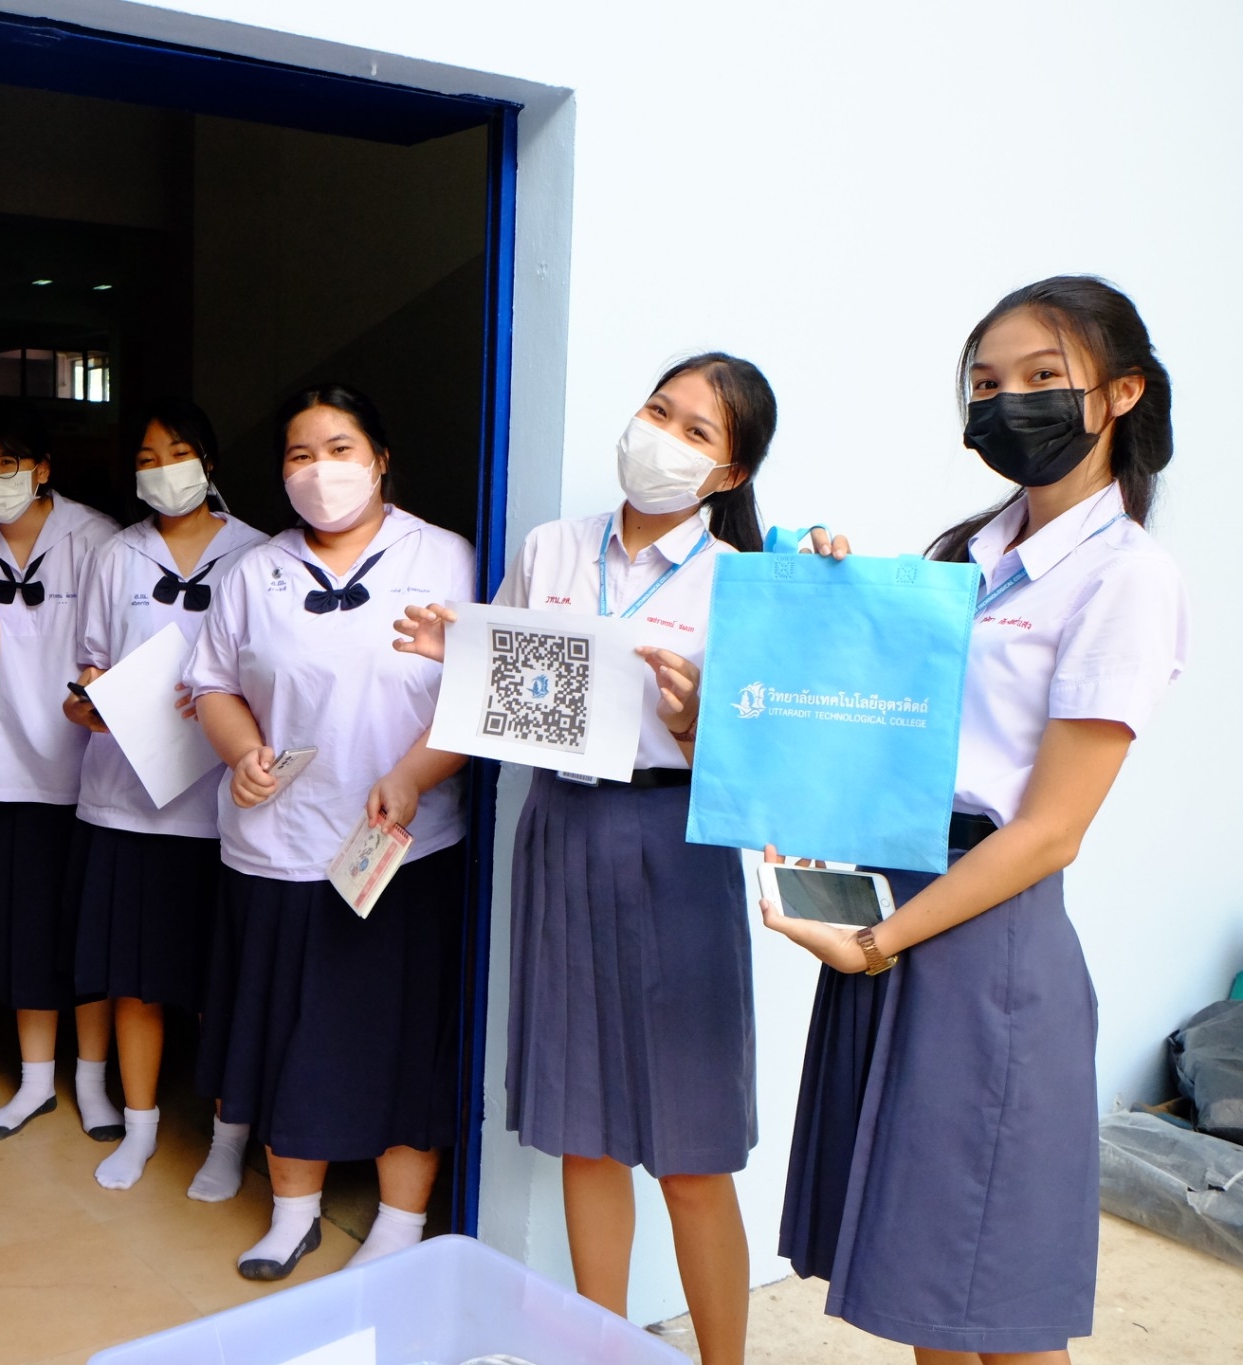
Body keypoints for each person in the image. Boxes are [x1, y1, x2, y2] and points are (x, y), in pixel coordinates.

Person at [769, 276, 1188, 1365]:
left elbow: (1049, 830)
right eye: (985, 384)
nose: (1007, 403)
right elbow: (881, 726)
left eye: (1042, 380)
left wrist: (873, 943)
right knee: (921, 1288)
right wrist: (822, 602)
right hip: (897, 897)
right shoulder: (964, 554)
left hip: (982, 942)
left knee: (987, 1299)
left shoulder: (1124, 579)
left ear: (1120, 395)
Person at [394, 353, 832, 1362]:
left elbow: (770, 759)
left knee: (688, 1148)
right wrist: (448, 657)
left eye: (696, 433)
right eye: (657, 411)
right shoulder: (551, 549)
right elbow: (500, 695)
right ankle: (606, 1347)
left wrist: (692, 723)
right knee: (582, 1130)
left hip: (676, 846)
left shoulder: (743, 583)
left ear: (727, 474)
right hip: (559, 832)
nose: (662, 439)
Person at [187, 384, 473, 1280]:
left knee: (400, 1036)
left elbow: (480, 691)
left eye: (340, 448)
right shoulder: (251, 571)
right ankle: (293, 1211)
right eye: (299, 455)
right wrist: (240, 752)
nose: (320, 471)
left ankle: (400, 1221)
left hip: (400, 847)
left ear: (381, 458)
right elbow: (212, 685)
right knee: (283, 1032)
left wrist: (412, 774)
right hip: (276, 844)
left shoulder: (447, 556)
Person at [61, 399, 267, 1192]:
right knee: (135, 980)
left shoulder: (258, 555)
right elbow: (90, 665)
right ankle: (140, 1128)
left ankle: (224, 1138)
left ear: (209, 461)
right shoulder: (116, 554)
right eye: (147, 457)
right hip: (124, 802)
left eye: (177, 452)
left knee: (219, 985)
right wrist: (89, 700)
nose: (162, 469)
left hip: (221, 811)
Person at [0, 401, 121, 1141]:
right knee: (29, 933)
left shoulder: (98, 539)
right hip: (11, 767)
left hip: (96, 774)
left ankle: (93, 1083)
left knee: (88, 935)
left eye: (6, 463)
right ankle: (36, 1081)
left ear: (42, 468)